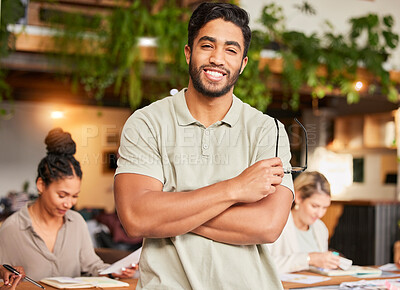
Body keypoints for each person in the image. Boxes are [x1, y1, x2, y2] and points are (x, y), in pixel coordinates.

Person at [114, 2, 294, 289]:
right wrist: (235, 188)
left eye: (231, 50)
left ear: (243, 63)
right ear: (189, 53)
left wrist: (170, 210)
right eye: (207, 45)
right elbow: (136, 217)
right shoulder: (146, 123)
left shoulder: (267, 130)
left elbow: (268, 225)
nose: (217, 59)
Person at [0, 128, 136, 280]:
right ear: (41, 185)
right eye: (62, 195)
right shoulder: (12, 228)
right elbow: (3, 274)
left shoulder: (76, 222)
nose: (69, 203)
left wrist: (114, 271)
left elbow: (91, 265)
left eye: (75, 196)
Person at [267, 171, 340, 273]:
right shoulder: (277, 224)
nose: (320, 214)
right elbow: (265, 266)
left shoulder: (320, 228)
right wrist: (309, 259)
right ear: (298, 197)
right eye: (315, 206)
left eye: (325, 208)